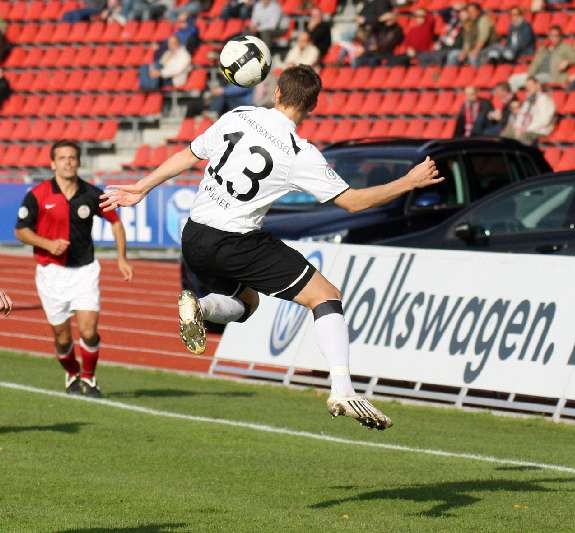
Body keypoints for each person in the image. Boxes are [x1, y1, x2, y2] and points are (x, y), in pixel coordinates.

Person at [100, 65, 441, 431]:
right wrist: (408, 181)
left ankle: (199, 305)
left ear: (277, 93)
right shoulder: (299, 153)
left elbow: (188, 155)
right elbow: (354, 202)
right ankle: (342, 388)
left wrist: (141, 187)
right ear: (313, 106)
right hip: (236, 240)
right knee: (326, 297)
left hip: (195, 236)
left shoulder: (240, 115)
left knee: (248, 303)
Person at [14, 140, 134, 397]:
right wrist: (47, 243)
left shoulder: (91, 193)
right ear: (53, 163)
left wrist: (121, 257)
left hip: (85, 270)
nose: (68, 161)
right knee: (63, 338)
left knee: (89, 331)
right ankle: (72, 373)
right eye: (62, 157)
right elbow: (21, 230)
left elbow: (115, 223)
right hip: (51, 273)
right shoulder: (38, 194)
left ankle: (89, 379)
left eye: (72, 157)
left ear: (79, 162)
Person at [502, 77, 555, 145]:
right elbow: (521, 115)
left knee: (522, 138)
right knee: (506, 135)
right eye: (527, 86)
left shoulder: (544, 100)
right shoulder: (529, 100)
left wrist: (525, 129)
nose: (528, 88)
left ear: (538, 85)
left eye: (530, 86)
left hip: (538, 131)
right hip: (525, 129)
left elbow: (544, 121)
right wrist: (518, 127)